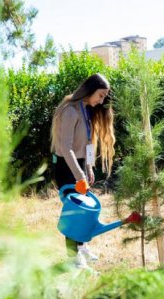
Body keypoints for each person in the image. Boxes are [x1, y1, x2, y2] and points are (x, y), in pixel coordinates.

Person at [50, 73, 115, 269]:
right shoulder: (69, 111)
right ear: (89, 90)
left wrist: (88, 167)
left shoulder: (85, 109)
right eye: (101, 95)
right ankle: (73, 258)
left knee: (84, 210)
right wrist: (79, 176)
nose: (102, 100)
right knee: (75, 213)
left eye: (104, 96)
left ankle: (81, 246)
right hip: (65, 166)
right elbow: (66, 148)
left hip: (78, 164)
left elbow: (87, 142)